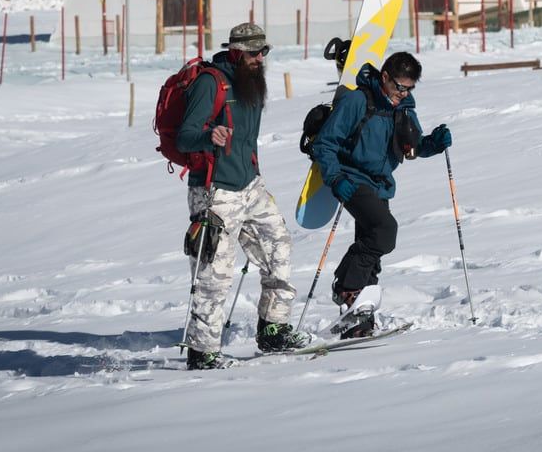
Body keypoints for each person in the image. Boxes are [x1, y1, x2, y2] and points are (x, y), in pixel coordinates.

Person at [176, 22, 305, 369]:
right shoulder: (210, 83)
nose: (259, 58)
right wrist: (208, 137)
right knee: (214, 274)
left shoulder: (252, 84)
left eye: (263, 52)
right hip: (215, 192)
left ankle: (273, 328)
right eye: (252, 53)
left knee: (279, 246)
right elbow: (184, 137)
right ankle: (202, 353)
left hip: (250, 186)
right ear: (235, 52)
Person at [310, 51, 452, 337]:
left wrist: (433, 144)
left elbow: (411, 146)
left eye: (409, 88)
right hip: (351, 178)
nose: (403, 93)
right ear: (384, 77)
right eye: (399, 86)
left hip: (381, 182)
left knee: (372, 250)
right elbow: (325, 143)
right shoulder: (358, 100)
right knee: (384, 230)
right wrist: (335, 178)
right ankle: (347, 288)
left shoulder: (404, 107)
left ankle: (360, 320)